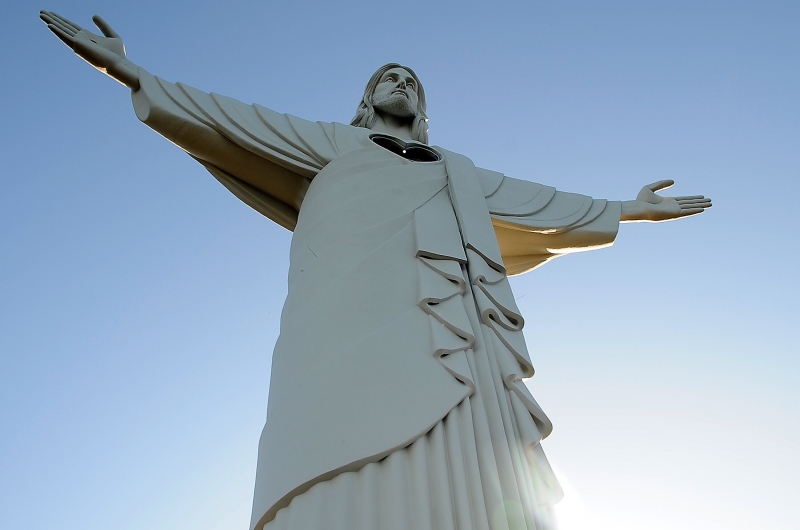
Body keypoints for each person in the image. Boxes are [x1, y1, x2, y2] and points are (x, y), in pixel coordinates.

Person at [40, 12, 711, 530]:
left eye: (412, 81)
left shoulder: (458, 170)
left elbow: (539, 203)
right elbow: (237, 123)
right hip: (342, 315)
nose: (401, 83)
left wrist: (630, 209)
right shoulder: (337, 144)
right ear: (366, 100)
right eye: (388, 78)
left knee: (473, 468)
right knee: (333, 443)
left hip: (453, 332)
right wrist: (133, 75)